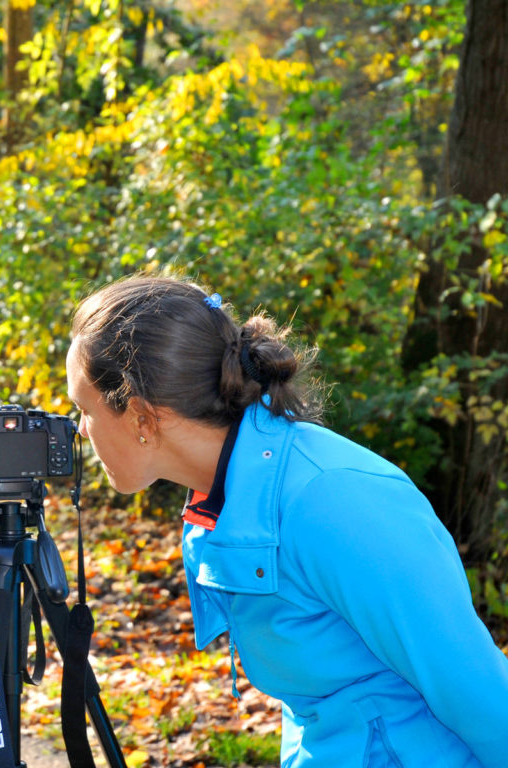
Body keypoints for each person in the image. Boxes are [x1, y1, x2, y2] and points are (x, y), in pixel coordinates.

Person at [66, 274, 508, 767]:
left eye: (84, 410)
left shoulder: (332, 500)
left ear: (142, 418)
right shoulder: (221, 498)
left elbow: (476, 691)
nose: (79, 431)